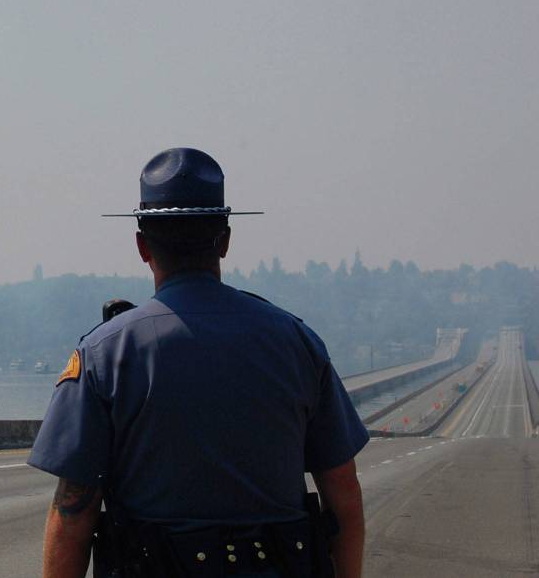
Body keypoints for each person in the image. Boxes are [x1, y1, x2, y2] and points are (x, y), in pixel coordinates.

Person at [28, 147, 367, 578]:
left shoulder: (104, 354)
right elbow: (345, 496)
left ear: (141, 244)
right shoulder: (297, 343)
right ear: (225, 240)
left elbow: (74, 515)